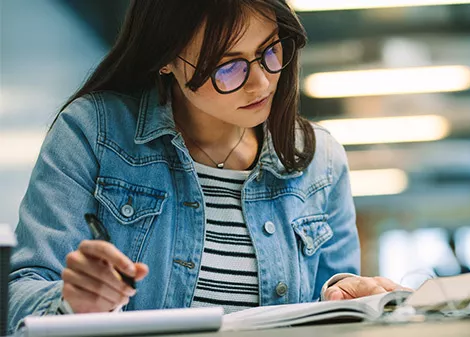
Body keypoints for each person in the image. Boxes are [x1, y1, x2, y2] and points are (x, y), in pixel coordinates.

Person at [7, 0, 403, 334]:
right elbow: (19, 299)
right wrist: (74, 304)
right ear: (165, 60)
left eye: (270, 51)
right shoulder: (94, 133)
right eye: (228, 67)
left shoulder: (320, 158)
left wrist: (349, 294)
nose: (262, 84)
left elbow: (336, 311)